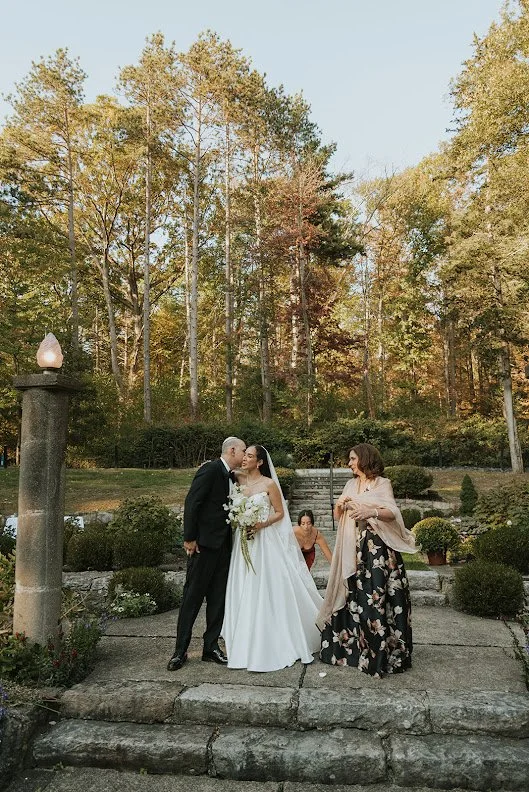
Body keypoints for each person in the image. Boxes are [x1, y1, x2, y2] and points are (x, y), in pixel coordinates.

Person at [318, 443, 417, 677]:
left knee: (379, 596)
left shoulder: (383, 483)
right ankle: (355, 650)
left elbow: (392, 512)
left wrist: (370, 512)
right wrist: (341, 506)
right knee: (356, 595)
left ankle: (383, 652)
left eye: (352, 459)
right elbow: (337, 514)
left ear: (364, 459)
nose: (349, 463)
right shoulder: (351, 484)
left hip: (378, 549)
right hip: (354, 548)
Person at [221, 445, 323, 672]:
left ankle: (270, 636)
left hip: (264, 540)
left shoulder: (269, 484)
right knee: (242, 583)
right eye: (244, 454)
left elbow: (280, 513)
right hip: (242, 541)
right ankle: (241, 633)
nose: (245, 458)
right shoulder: (237, 479)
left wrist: (260, 524)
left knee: (263, 584)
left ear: (259, 462)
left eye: (249, 456)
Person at [167, 436, 246, 671]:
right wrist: (189, 538)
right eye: (243, 451)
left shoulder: (232, 476)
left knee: (217, 600)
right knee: (192, 599)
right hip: (203, 547)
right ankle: (180, 651)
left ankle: (210, 648)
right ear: (232, 450)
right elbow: (192, 502)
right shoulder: (210, 470)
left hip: (223, 549)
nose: (244, 455)